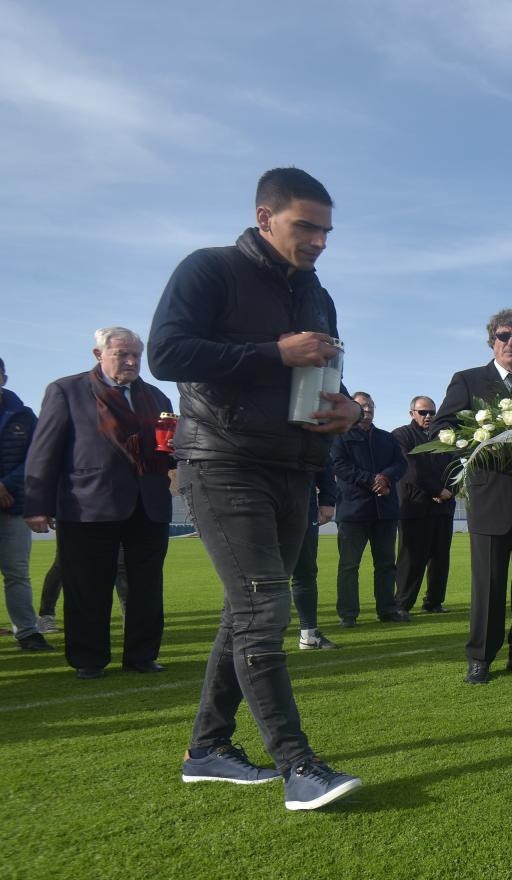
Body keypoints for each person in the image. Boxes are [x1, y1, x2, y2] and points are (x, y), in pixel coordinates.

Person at [147, 165, 364, 811]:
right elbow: (167, 354)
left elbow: (324, 370)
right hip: (222, 461)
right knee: (264, 609)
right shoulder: (209, 269)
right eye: (306, 227)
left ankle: (207, 749)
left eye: (326, 231)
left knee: (245, 611)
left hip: (292, 465)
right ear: (265, 218)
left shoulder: (318, 294)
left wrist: (346, 408)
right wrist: (275, 352)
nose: (319, 241)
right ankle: (298, 766)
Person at [24, 328, 173, 678]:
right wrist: (37, 504)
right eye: (123, 354)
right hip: (87, 504)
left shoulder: (156, 397)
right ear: (98, 354)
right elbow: (45, 450)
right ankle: (88, 659)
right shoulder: (66, 390)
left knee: (146, 586)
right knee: (86, 585)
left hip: (148, 503)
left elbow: (168, 448)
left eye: (136, 355)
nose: (132, 361)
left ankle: (142, 655)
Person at [435, 309, 512, 684]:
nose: (511, 343)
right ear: (492, 341)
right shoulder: (469, 380)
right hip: (490, 499)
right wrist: (477, 443)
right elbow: (442, 428)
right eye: (504, 336)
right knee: (488, 586)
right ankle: (480, 659)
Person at [329, 392, 407, 626]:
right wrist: (372, 480)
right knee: (349, 565)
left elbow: (401, 464)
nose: (368, 409)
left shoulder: (386, 438)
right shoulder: (341, 437)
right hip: (353, 511)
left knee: (386, 565)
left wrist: (386, 478)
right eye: (362, 406)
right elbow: (340, 466)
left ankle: (387, 609)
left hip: (385, 511)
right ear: (353, 408)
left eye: (371, 405)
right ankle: (348, 614)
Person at [0, 357, 52, 653]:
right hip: (9, 496)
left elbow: (36, 456)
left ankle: (28, 633)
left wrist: (5, 484)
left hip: (13, 506)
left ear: (4, 378)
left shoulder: (23, 415)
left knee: (17, 573)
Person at [390, 395, 455, 614]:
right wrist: (436, 490)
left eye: (432, 412)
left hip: (443, 506)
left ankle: (434, 602)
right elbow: (410, 469)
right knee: (411, 558)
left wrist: (448, 491)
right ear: (412, 413)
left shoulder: (445, 437)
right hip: (415, 506)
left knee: (440, 557)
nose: (428, 416)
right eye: (423, 412)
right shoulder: (401, 435)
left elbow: (456, 466)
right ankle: (402, 604)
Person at [292, 464, 338, 649]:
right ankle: (259, 638)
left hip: (304, 503)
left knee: (305, 571)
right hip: (262, 504)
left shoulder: (311, 441)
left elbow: (324, 459)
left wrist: (327, 499)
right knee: (263, 575)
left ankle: (309, 635)